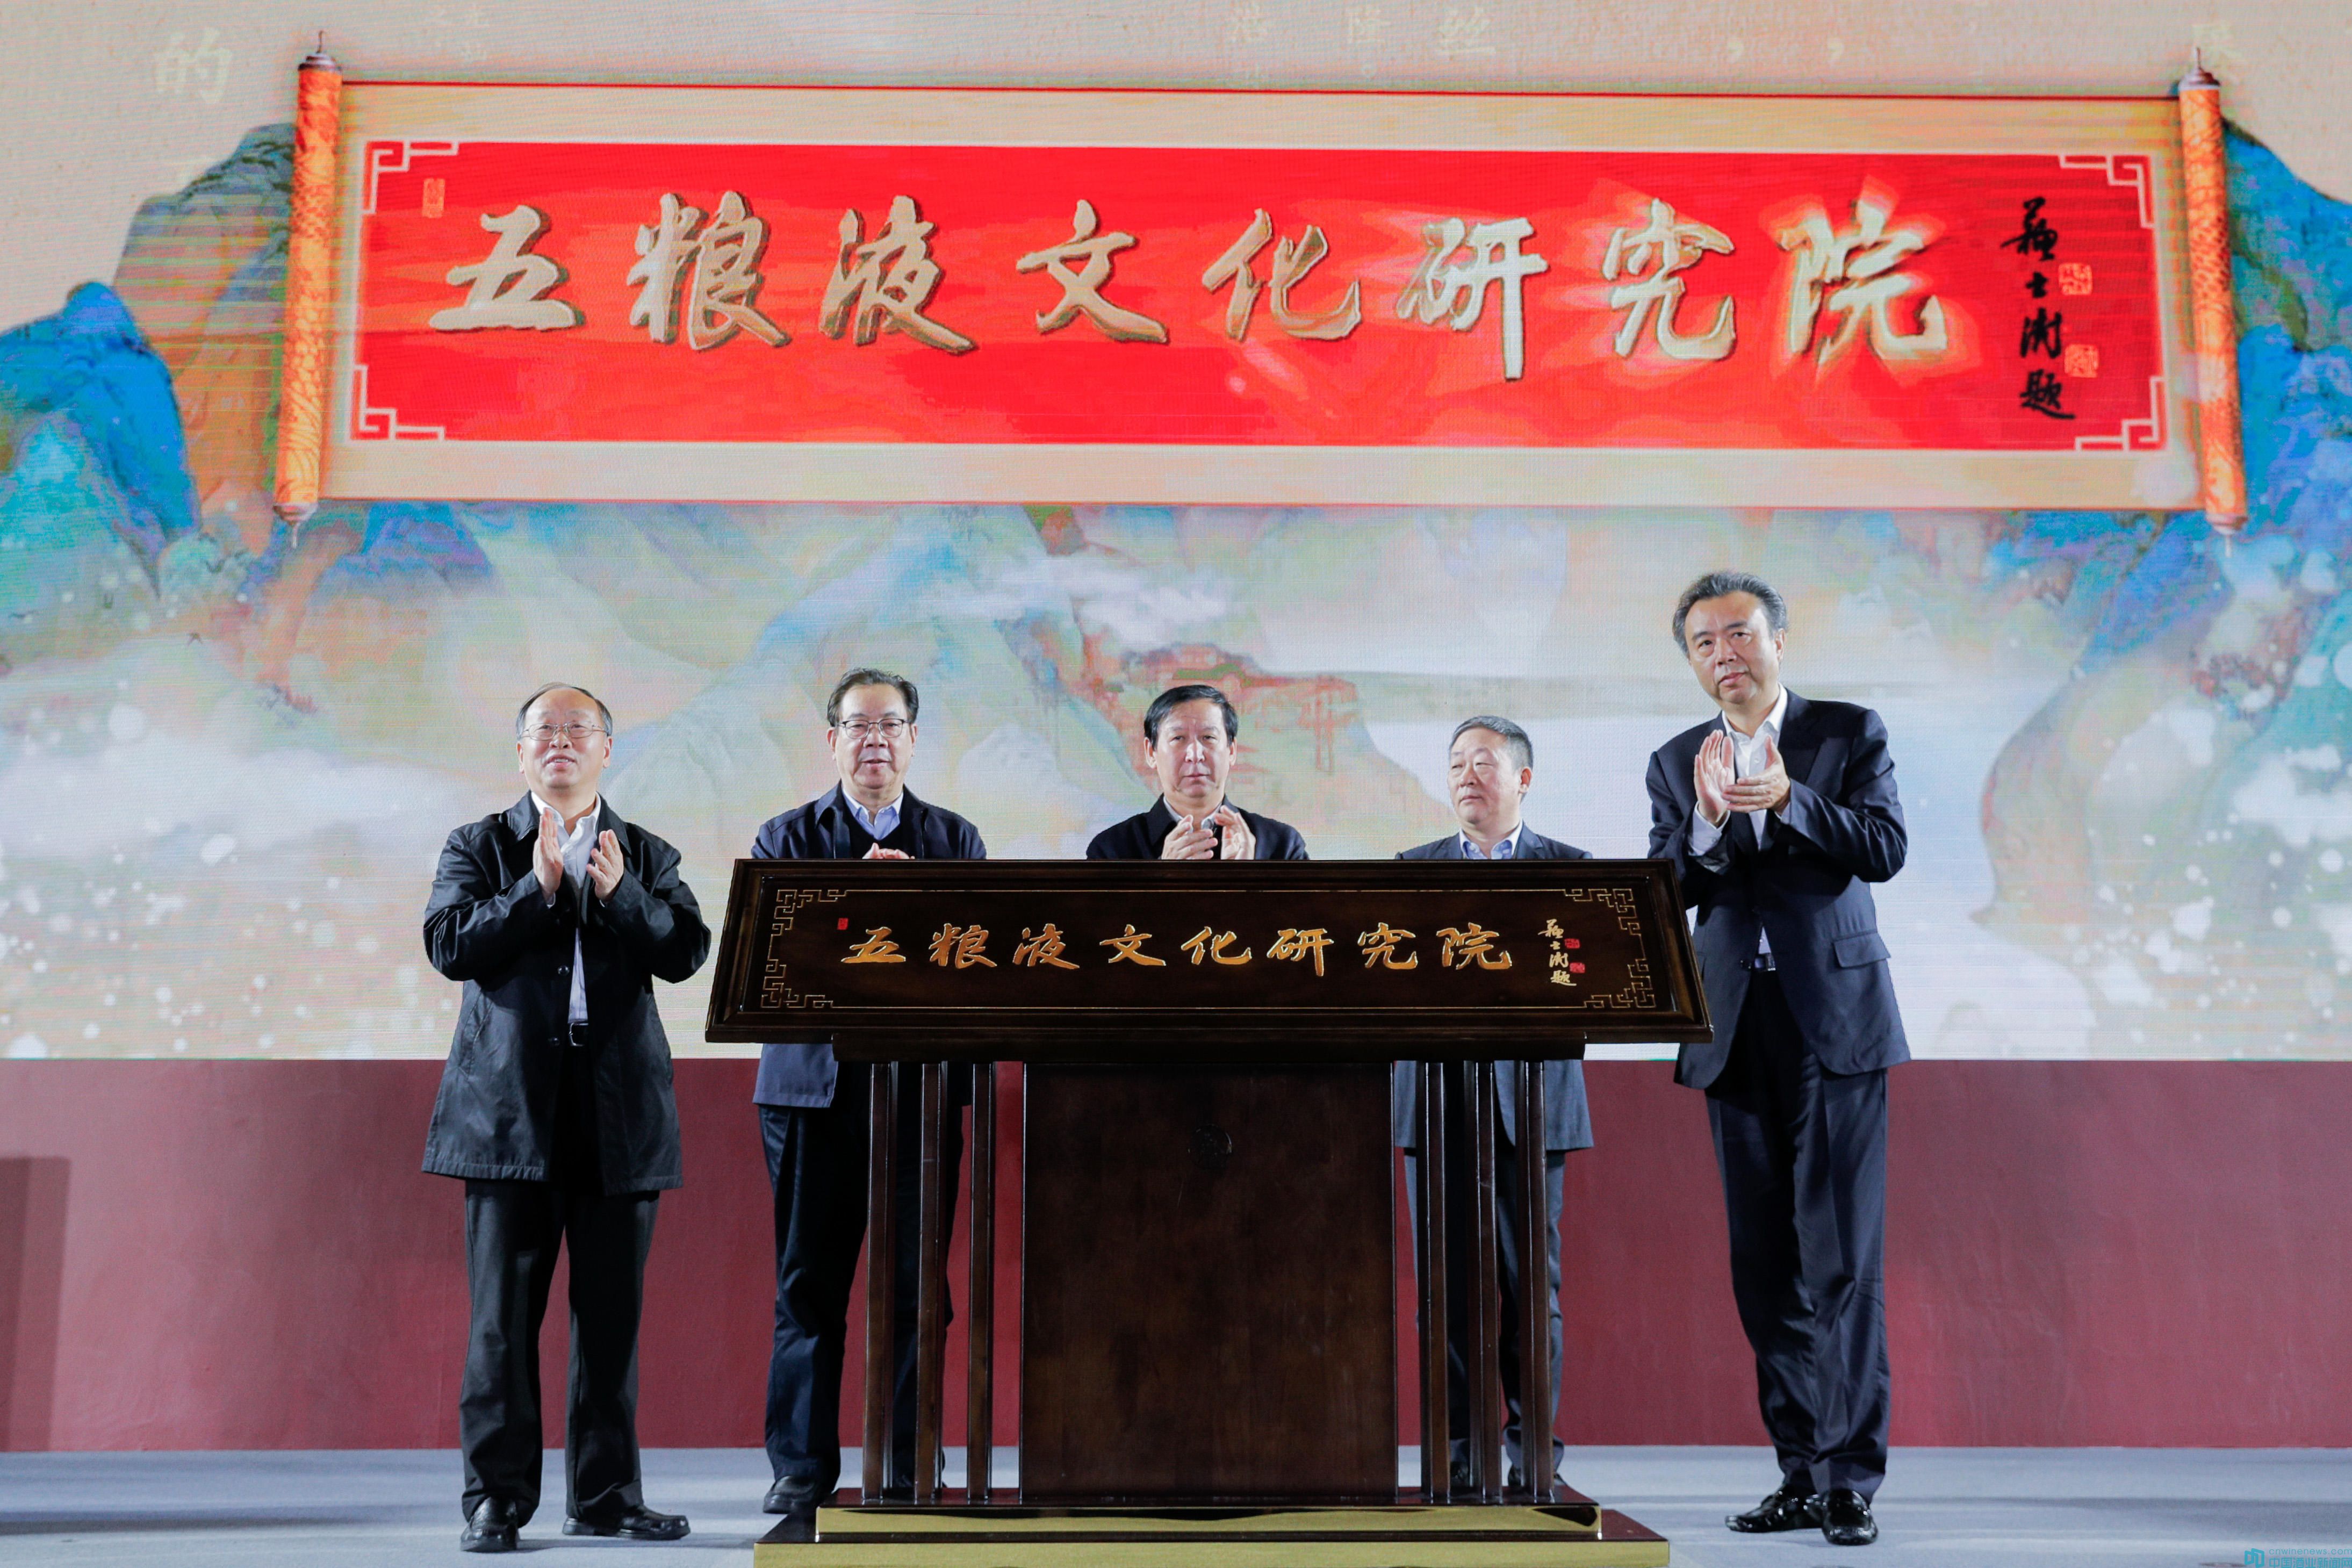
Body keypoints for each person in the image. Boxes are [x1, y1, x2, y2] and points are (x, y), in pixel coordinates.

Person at [1644, 572, 1908, 1549]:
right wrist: (1709, 822)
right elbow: (1666, 886)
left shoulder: (1846, 732)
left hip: (1834, 1024)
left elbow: (1884, 847)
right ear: (1691, 660)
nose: (1725, 654)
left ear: (1778, 641)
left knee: (1840, 1262)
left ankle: (1848, 1480)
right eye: (1704, 642)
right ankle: (1799, 1470)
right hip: (1734, 1029)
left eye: (1740, 634)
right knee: (1763, 1268)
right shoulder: (1677, 759)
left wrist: (1794, 799)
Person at [422, 682, 710, 1555]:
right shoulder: (478, 845)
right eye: (543, 729)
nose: (561, 741)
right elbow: (448, 944)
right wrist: (537, 887)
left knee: (610, 1320)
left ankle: (607, 1496)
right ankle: (496, 1500)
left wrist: (623, 896)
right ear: (520, 751)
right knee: (501, 1323)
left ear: (606, 749)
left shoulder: (646, 851)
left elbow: (686, 950)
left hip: (618, 1111)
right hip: (508, 1113)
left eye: (578, 728)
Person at [749, 668, 987, 1533]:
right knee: (808, 1285)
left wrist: (913, 909)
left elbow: (980, 966)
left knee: (918, 1287)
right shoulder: (785, 836)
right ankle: (800, 1470)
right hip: (810, 1094)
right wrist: (854, 901)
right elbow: (772, 959)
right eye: (858, 725)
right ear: (832, 741)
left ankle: (908, 1458)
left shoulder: (953, 839)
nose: (874, 739)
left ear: (913, 739)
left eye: (891, 724)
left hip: (920, 1092)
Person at [1393, 716, 1592, 1493]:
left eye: (1483, 762)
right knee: (1442, 1294)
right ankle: (1455, 1452)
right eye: (1455, 765)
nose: (1466, 776)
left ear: (1523, 779)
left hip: (1530, 1104)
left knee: (1530, 1289)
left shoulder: (1570, 870)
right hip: (1437, 1103)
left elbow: (1587, 985)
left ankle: (1534, 1456)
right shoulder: (1411, 872)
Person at [1084, 683, 1307, 861]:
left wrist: (1247, 881)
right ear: (1151, 752)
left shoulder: (1283, 846)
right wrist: (1160, 881)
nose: (1195, 754)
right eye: (1178, 738)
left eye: (1208, 737)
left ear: (1231, 751)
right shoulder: (1110, 850)